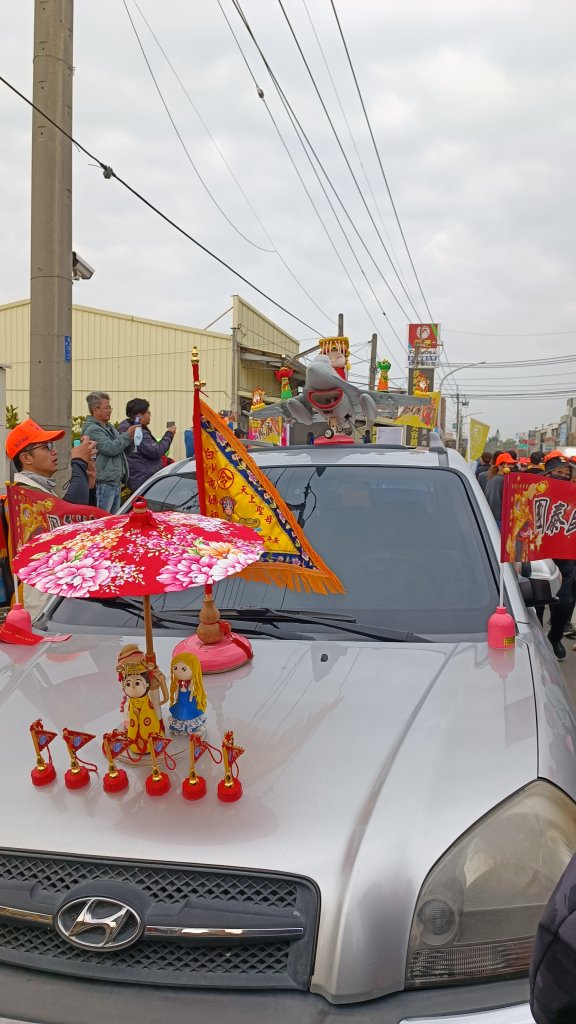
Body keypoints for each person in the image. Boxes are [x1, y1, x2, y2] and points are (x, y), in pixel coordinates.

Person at [5, 419, 97, 619]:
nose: (54, 451)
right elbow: (68, 515)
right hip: (37, 599)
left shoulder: (37, 491)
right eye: (47, 447)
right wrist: (79, 463)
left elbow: (82, 521)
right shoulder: (23, 495)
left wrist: (89, 485)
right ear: (26, 458)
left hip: (49, 592)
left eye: (53, 446)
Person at [541, 451, 575, 661]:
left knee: (564, 602)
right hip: (540, 557)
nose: (562, 476)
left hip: (566, 556)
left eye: (566, 473)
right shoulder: (533, 493)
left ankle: (555, 636)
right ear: (547, 474)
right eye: (558, 472)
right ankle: (535, 641)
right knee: (534, 603)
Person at [82, 392, 137, 513]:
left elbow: (120, 448)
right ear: (95, 410)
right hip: (103, 482)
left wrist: (132, 440)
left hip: (114, 481)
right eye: (107, 407)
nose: (110, 410)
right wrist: (127, 436)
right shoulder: (93, 429)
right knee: (102, 519)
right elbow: (110, 448)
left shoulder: (108, 427)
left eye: (110, 407)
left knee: (112, 520)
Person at [118, 398, 176, 494]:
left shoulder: (128, 427)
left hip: (138, 476)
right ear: (139, 415)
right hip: (143, 479)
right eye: (147, 412)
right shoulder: (137, 432)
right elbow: (155, 451)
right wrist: (169, 435)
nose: (150, 414)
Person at [484, 451, 515, 526]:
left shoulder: (492, 478)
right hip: (500, 519)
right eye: (508, 464)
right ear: (500, 466)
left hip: (491, 517)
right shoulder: (503, 480)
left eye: (512, 464)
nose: (511, 466)